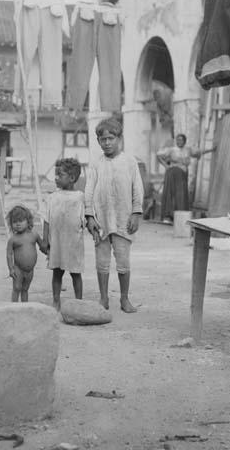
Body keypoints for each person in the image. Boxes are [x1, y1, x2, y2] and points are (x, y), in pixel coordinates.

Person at [85, 118, 144, 313]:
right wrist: (89, 216)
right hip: (101, 221)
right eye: (103, 139)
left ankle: (124, 299)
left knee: (123, 261)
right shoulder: (95, 163)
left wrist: (136, 213)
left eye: (111, 138)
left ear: (119, 138)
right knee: (101, 262)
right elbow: (89, 191)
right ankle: (103, 298)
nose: (107, 143)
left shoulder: (129, 161)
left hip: (122, 220)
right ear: (98, 141)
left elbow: (138, 189)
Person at [40, 158, 85, 311]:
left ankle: (79, 302)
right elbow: (46, 219)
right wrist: (45, 239)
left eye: (60, 175)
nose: (56, 178)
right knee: (57, 273)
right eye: (56, 174)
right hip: (57, 242)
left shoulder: (80, 197)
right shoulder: (52, 197)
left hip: (73, 243)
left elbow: (85, 219)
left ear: (72, 178)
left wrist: (95, 231)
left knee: (76, 273)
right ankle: (56, 301)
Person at [156, 133, 215, 224]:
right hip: (172, 174)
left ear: (185, 141)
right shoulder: (171, 150)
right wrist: (166, 166)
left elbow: (199, 152)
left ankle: (180, 217)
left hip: (182, 175)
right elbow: (158, 155)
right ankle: (168, 216)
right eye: (177, 140)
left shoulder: (188, 150)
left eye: (181, 140)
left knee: (181, 195)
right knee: (170, 194)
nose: (179, 142)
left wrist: (211, 149)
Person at [6, 204, 42, 302]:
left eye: (21, 221)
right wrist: (11, 269)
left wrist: (48, 250)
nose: (18, 224)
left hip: (30, 270)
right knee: (17, 288)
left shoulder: (34, 235)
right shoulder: (13, 239)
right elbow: (9, 254)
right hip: (18, 269)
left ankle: (25, 306)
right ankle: (14, 306)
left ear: (28, 221)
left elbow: (42, 246)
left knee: (25, 289)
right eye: (14, 222)